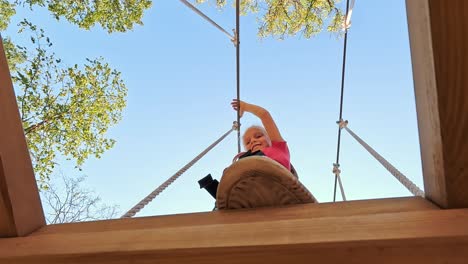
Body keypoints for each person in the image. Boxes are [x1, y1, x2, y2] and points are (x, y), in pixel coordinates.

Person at [231, 99, 291, 172]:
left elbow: (264, 115)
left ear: (269, 138)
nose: (253, 141)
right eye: (248, 142)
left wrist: (246, 106)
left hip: (276, 178)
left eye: (258, 136)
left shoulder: (278, 147)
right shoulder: (247, 158)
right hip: (250, 178)